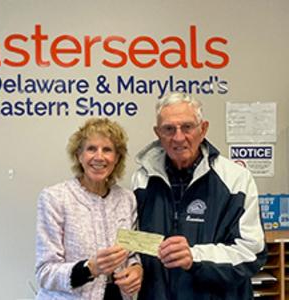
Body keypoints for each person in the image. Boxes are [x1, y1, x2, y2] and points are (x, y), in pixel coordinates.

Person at [132, 92, 267, 299]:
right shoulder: (142, 180)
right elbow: (136, 241)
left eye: (187, 127)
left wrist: (194, 256)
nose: (178, 137)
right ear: (158, 133)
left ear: (203, 129)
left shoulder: (236, 180)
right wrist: (133, 266)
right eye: (169, 129)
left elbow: (251, 252)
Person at [35, 117, 143, 299]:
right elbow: (44, 272)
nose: (99, 157)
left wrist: (136, 269)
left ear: (117, 158)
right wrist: (90, 269)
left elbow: (131, 253)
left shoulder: (127, 199)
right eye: (91, 149)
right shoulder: (55, 198)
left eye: (107, 150)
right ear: (79, 155)